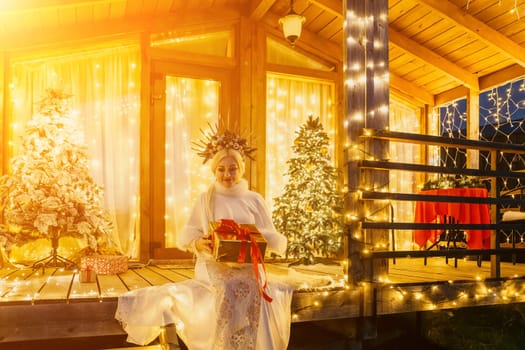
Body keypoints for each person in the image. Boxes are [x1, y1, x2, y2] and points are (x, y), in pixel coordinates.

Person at [115, 128, 293, 350]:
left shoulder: (254, 199)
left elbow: (269, 234)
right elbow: (190, 233)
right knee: (227, 288)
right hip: (213, 265)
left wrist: (253, 237)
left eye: (232, 169)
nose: (227, 175)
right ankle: (225, 344)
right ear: (214, 171)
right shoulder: (205, 199)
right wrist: (198, 244)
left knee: (253, 288)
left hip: (248, 264)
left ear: (241, 170)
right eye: (221, 169)